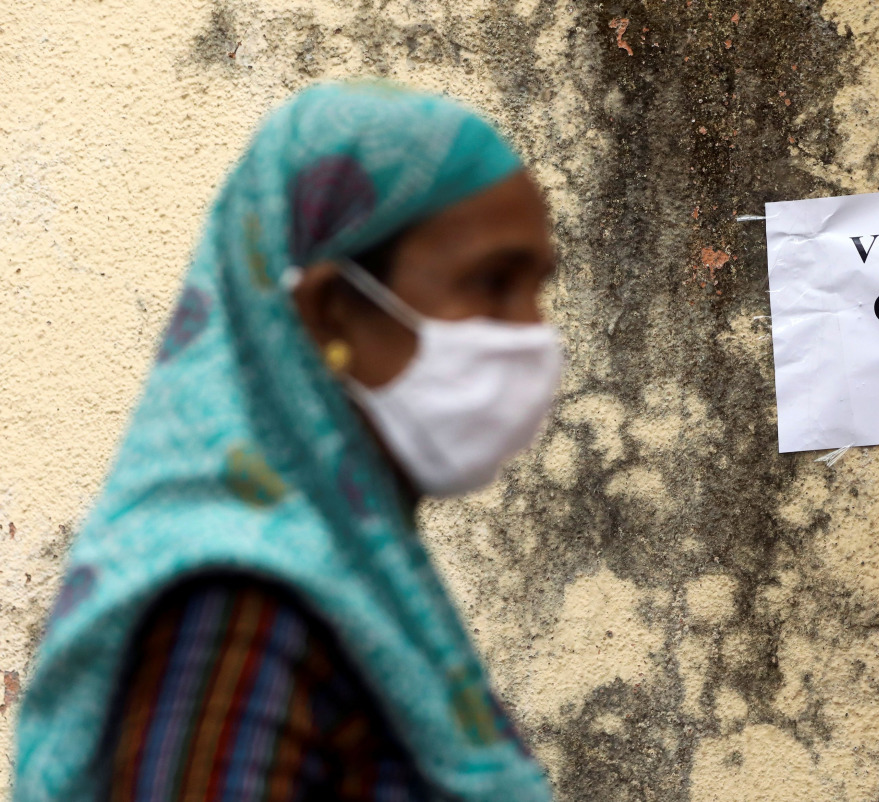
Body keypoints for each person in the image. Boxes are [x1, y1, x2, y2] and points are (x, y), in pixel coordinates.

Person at [14, 81, 560, 802]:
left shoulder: (354, 578)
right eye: (493, 283)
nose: (532, 333)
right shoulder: (239, 612)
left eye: (537, 287)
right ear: (331, 312)